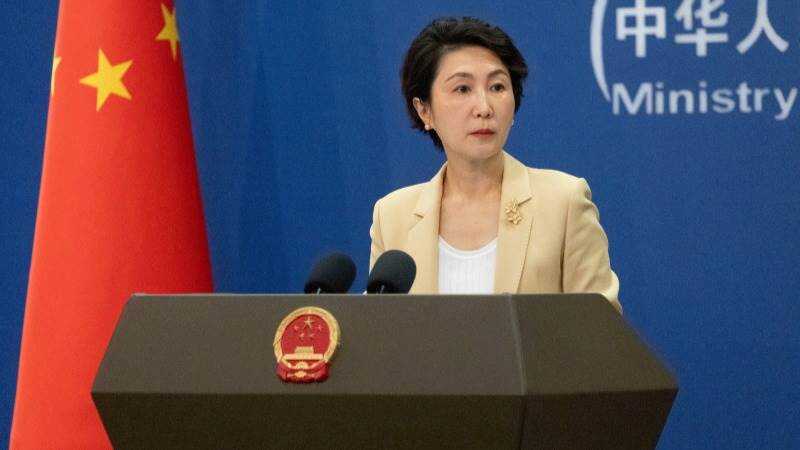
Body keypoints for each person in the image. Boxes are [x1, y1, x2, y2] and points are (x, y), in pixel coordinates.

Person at [369, 17, 621, 313]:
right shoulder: (393, 216)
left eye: (497, 87)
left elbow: (601, 331)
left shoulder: (564, 202)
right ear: (424, 110)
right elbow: (380, 329)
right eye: (463, 89)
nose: (484, 108)